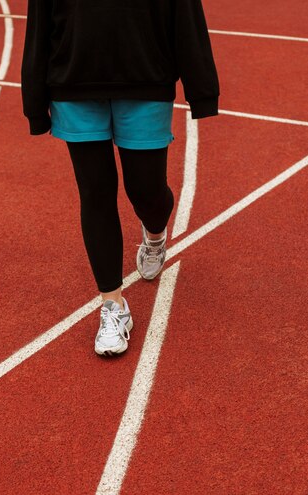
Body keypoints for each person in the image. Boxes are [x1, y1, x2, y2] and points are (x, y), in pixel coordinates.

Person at [21, 0, 219, 356]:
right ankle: (113, 306)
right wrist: (35, 102)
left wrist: (202, 90)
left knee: (147, 193)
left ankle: (155, 234)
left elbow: (184, 11)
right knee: (95, 193)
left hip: (146, 80)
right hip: (73, 84)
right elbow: (39, 21)